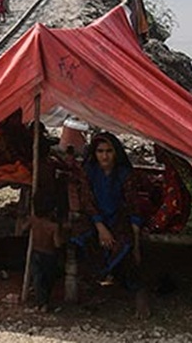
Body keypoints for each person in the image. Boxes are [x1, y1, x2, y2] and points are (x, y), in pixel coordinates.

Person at [73, 131, 149, 318]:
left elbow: (132, 205)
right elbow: (87, 202)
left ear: (116, 153)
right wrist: (100, 227)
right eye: (100, 151)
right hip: (95, 218)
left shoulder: (124, 174)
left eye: (109, 151)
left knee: (126, 244)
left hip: (118, 218)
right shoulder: (89, 172)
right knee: (80, 237)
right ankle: (92, 288)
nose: (104, 156)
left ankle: (137, 291)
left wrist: (135, 235)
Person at [25, 190, 64, 311]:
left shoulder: (33, 220)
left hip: (36, 252)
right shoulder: (53, 227)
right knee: (48, 280)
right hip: (49, 255)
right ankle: (45, 303)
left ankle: (39, 302)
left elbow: (23, 228)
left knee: (37, 278)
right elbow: (57, 243)